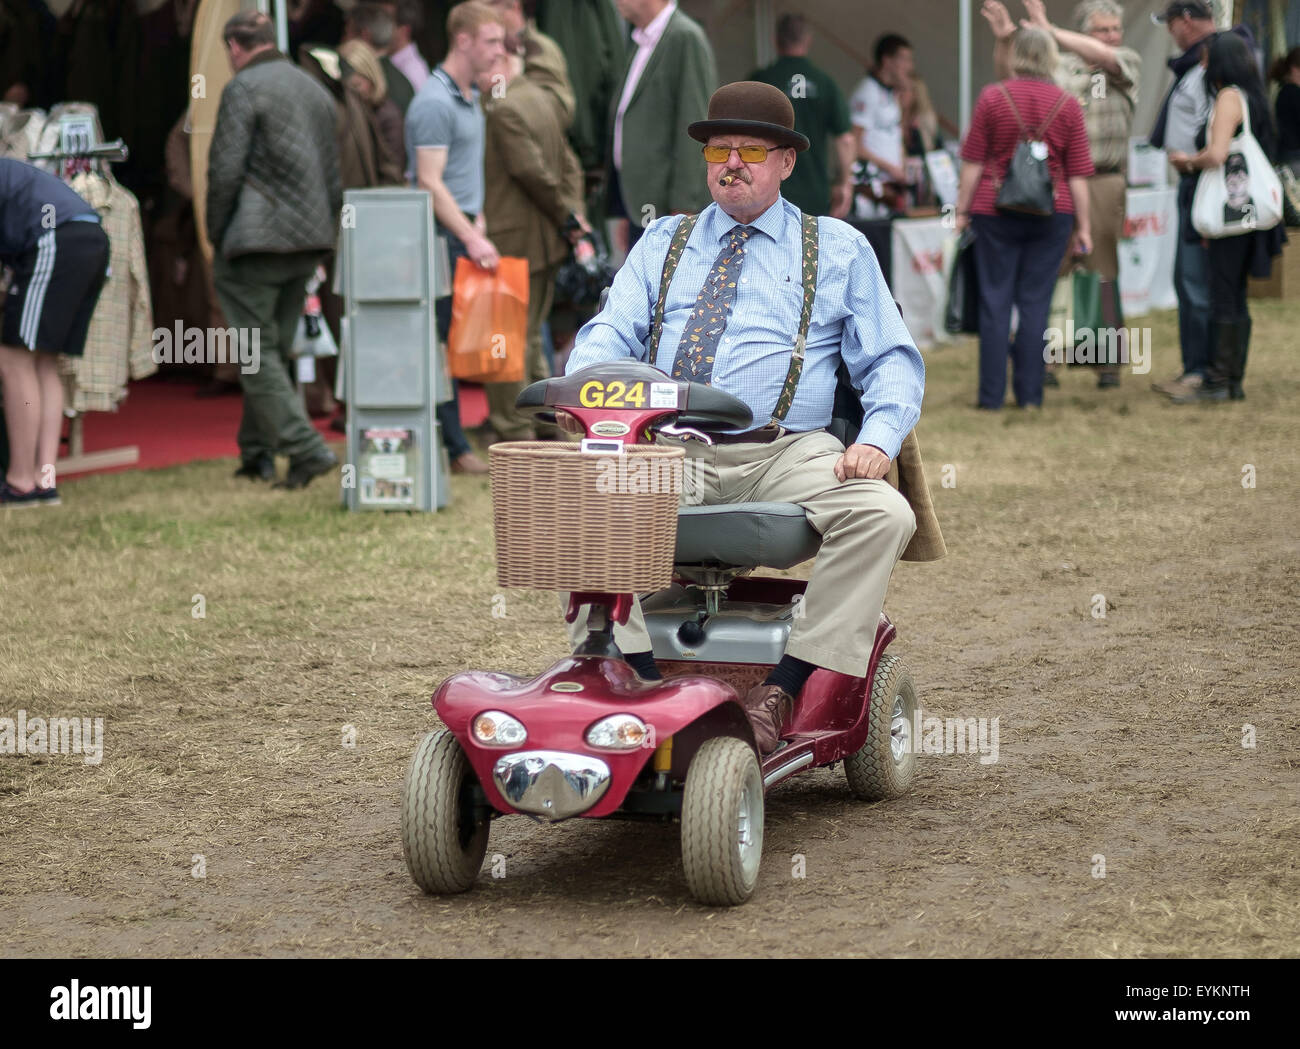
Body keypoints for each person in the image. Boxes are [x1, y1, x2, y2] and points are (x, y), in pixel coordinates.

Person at [563, 81, 945, 754]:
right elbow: (605, 334)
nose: (731, 162)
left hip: (783, 451)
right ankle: (644, 685)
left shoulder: (838, 247)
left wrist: (879, 441)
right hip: (668, 448)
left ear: (786, 162)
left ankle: (784, 690)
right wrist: (587, 391)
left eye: (750, 149)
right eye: (718, 147)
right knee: (583, 499)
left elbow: (892, 362)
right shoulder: (663, 241)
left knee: (883, 512)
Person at [207, 10, 341, 489]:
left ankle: (304, 450)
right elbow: (333, 174)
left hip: (255, 241)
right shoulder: (315, 88)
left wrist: (216, 233)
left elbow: (224, 171)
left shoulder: (243, 88)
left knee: (253, 352)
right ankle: (258, 453)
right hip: (308, 241)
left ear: (235, 47)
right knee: (272, 351)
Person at [990, 0, 1141, 389]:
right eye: (1101, 30)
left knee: (1102, 269)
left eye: (1114, 29)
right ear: (1083, 32)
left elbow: (1107, 57)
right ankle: (1046, 359)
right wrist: (1007, 40)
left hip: (1104, 179)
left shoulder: (1126, 62)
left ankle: (1106, 361)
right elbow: (1017, 78)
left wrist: (1049, 29)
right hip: (1056, 179)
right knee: (1050, 271)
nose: (1110, 37)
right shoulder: (1062, 67)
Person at [955, 26, 1093, 410]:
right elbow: (1079, 172)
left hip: (993, 209)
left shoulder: (992, 97)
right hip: (1053, 213)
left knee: (995, 302)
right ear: (1051, 58)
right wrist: (1085, 226)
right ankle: (1031, 395)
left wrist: (962, 210)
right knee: (1036, 304)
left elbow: (973, 161)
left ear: (1016, 56)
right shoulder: (1068, 104)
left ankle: (991, 397)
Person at [405, 0, 508, 475]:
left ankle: (453, 441)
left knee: (464, 343)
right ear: (462, 40)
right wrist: (470, 235)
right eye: (491, 40)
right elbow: (429, 181)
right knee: (440, 347)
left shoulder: (469, 96)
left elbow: (463, 175)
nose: (499, 51)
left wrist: (478, 220)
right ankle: (452, 447)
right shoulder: (433, 101)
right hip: (441, 238)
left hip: (462, 232)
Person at [1168, 33, 1285, 403]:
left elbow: (1217, 154)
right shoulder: (1255, 96)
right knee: (1236, 294)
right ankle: (1231, 379)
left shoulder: (1228, 97)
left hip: (1230, 214)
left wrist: (1188, 161)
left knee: (1223, 292)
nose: (1203, 66)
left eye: (1206, 59)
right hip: (1251, 213)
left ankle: (1218, 380)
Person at [479, 45, 587, 441]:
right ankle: (546, 423)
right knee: (527, 336)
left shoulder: (504, 109)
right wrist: (572, 216)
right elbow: (568, 164)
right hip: (542, 241)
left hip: (513, 240)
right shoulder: (541, 99)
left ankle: (514, 430)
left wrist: (565, 216)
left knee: (505, 342)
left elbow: (533, 173)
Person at [0, 157, 109, 507]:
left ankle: (20, 483)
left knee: (12, 359)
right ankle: (44, 480)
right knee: (44, 362)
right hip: (89, 238)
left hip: (56, 239)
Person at [1148, 1, 1218, 398]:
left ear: (1186, 21)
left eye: (1171, 24)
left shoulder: (1213, 60)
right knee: (1188, 278)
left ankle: (1201, 372)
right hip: (1193, 180)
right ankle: (1197, 367)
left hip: (1202, 180)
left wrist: (1191, 160)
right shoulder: (1194, 63)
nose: (1170, 33)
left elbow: (1219, 127)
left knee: (1195, 279)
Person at [608, 0, 717, 249]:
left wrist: (684, 209)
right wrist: (626, 206)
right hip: (640, 206)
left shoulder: (684, 37)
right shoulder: (642, 40)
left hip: (668, 211)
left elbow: (694, 127)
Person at [749, 13, 855, 218]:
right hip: (815, 191)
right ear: (808, 40)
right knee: (810, 247)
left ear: (774, 40)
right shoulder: (825, 82)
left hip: (768, 188)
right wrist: (845, 184)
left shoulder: (760, 81)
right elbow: (846, 139)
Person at [850, 33, 913, 217]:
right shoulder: (867, 91)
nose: (909, 67)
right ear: (887, 61)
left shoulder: (892, 94)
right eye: (905, 60)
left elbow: (897, 135)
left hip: (893, 187)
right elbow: (856, 145)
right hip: (872, 189)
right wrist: (891, 168)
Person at [345, 2, 414, 115]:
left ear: (364, 35)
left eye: (346, 33)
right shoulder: (405, 83)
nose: (344, 41)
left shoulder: (355, 76)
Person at [387, 0, 430, 94]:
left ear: (404, 30)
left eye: (387, 22)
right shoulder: (396, 63)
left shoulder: (413, 71)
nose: (380, 27)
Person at [1271, 47, 1300, 174]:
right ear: (1295, 69)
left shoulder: (1284, 91)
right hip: (1294, 158)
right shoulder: (1292, 92)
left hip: (1287, 156)